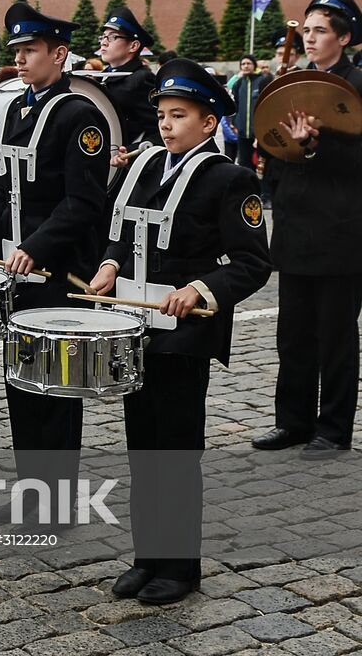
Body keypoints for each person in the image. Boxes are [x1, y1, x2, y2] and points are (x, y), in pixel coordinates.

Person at [80, 57, 271, 605]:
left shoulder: (232, 179)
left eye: (178, 115)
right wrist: (110, 267)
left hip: (185, 335)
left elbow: (252, 261)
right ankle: (148, 557)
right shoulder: (142, 167)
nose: (165, 124)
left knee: (176, 449)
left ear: (209, 123)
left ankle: (181, 568)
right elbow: (120, 235)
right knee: (143, 447)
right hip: (135, 327)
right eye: (161, 114)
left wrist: (200, 290)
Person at [0, 2, 111, 524]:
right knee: (22, 377)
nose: (20, 60)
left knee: (56, 381)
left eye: (30, 52)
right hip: (14, 263)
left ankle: (59, 500)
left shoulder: (80, 116)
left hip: (58, 268)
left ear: (60, 55)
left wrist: (38, 247)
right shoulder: (17, 111)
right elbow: (2, 189)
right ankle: (32, 490)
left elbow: (84, 202)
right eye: (17, 52)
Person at [253, 0, 362, 459]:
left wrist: (316, 147)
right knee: (293, 335)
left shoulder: (358, 86)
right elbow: (277, 152)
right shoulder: (292, 83)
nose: (310, 38)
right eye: (307, 29)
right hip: (296, 227)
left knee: (335, 337)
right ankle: (292, 422)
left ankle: (333, 429)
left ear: (344, 36)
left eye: (321, 30)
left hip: (342, 232)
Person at [100, 7, 158, 155]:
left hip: (123, 166)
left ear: (133, 46)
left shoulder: (141, 79)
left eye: (112, 37)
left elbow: (159, 130)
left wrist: (130, 152)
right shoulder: (101, 76)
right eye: (103, 37)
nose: (104, 43)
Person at [230, 55, 271, 169]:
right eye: (243, 64)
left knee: (259, 164)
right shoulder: (238, 84)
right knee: (244, 163)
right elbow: (235, 105)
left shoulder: (262, 81)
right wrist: (235, 123)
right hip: (242, 133)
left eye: (249, 63)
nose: (246, 66)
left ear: (254, 66)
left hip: (259, 133)